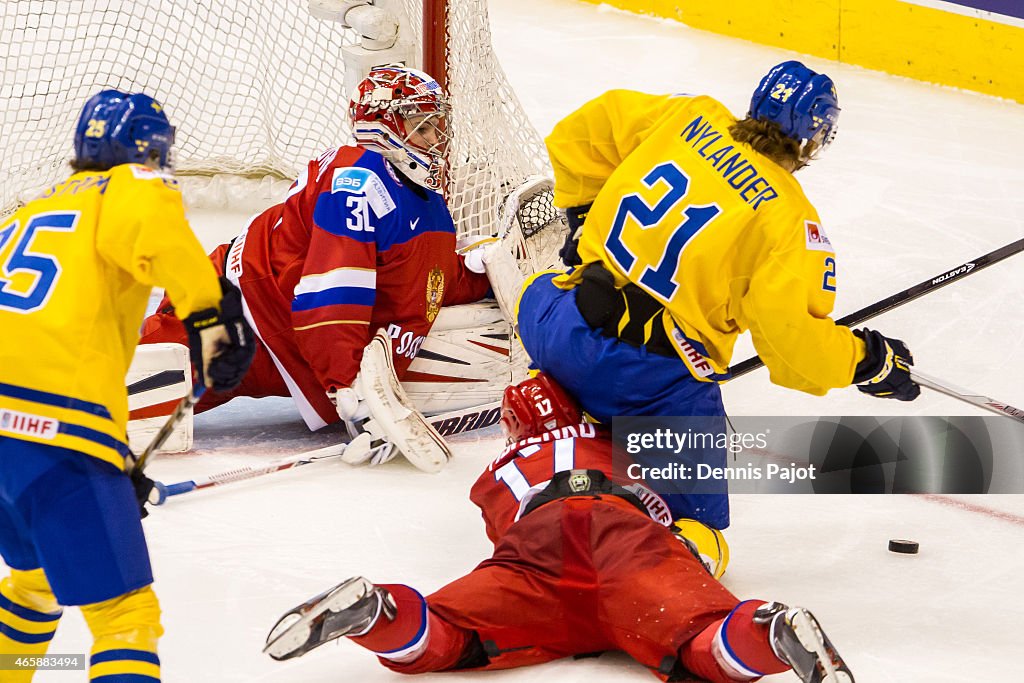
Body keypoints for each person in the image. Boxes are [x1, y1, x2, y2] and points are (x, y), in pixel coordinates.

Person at [514, 60, 920, 530]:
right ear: (815, 136)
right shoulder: (789, 222)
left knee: (543, 288)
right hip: (643, 384)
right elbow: (794, 349)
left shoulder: (692, 116)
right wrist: (868, 361)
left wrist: (584, 213)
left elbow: (578, 135)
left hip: (555, 325)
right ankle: (610, 450)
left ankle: (557, 414)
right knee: (694, 530)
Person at [262, 373, 854, 683]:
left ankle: (376, 613)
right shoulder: (627, 441)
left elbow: (507, 528)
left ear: (515, 432)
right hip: (626, 540)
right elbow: (707, 532)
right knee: (706, 647)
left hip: (537, 555)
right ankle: (768, 631)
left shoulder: (495, 473)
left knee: (445, 636)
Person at [0, 90, 253, 682]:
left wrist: (111, 462)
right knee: (124, 618)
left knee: (35, 583)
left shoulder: (26, 213)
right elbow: (155, 230)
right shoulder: (132, 186)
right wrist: (211, 315)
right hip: (57, 432)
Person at [139, 64, 491, 442]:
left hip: (280, 334)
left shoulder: (425, 202)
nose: (436, 139)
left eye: (437, 126)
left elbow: (420, 282)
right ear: (382, 125)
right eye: (423, 127)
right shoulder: (358, 182)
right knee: (123, 392)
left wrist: (477, 273)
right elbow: (334, 285)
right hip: (243, 314)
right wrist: (343, 380)